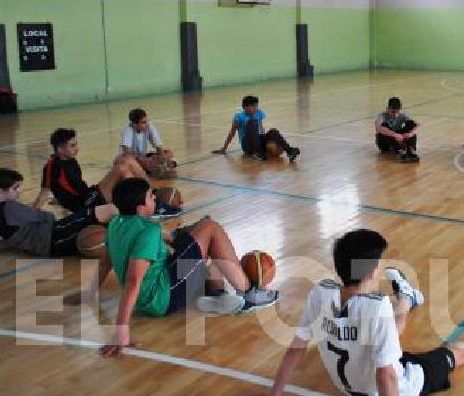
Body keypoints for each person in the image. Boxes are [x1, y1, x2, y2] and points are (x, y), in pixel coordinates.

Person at [252, 229, 464, 396]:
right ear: (371, 272)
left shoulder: (320, 292)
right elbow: (386, 376)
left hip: (347, 387)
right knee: (456, 354)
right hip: (397, 391)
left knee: (385, 332)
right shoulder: (376, 305)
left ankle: (407, 295)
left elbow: (295, 350)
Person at [99, 178, 280, 357]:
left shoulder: (115, 224)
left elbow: (106, 261)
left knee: (201, 236)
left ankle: (214, 295)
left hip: (149, 295)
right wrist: (121, 330)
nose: (154, 198)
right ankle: (249, 293)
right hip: (162, 299)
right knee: (211, 227)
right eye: (150, 196)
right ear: (140, 208)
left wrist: (91, 291)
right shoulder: (148, 231)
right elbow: (133, 281)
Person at [34, 128, 182, 220]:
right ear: (59, 149)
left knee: (125, 163)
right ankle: (149, 201)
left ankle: (149, 197)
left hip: (89, 195)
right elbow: (44, 192)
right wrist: (30, 216)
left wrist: (59, 200)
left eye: (76, 144)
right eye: (72, 146)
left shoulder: (70, 160)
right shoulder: (52, 165)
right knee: (123, 165)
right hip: (84, 204)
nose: (77, 148)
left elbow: (67, 187)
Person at [0, 168, 117, 258]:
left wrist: (13, 242)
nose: (19, 191)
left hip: (50, 242)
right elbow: (44, 217)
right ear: (1, 191)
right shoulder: (9, 208)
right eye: (15, 188)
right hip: (56, 235)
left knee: (104, 216)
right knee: (109, 210)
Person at [212, 95, 300, 162]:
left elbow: (261, 129)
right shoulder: (239, 117)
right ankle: (256, 153)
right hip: (248, 145)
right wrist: (224, 148)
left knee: (273, 131)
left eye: (256, 106)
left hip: (258, 139)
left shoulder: (259, 113)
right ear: (244, 107)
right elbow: (232, 133)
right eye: (252, 106)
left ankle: (290, 151)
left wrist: (266, 139)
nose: (254, 108)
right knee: (252, 122)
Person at [119, 108, 177, 178]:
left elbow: (158, 146)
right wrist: (147, 160)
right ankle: (155, 169)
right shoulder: (127, 130)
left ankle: (158, 167)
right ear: (134, 124)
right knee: (145, 162)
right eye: (143, 122)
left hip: (143, 157)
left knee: (168, 152)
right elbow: (128, 153)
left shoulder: (149, 126)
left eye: (146, 121)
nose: (146, 124)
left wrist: (163, 158)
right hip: (130, 159)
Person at [374, 97, 420, 162]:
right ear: (387, 109)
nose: (395, 115)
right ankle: (400, 150)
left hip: (397, 138)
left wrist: (410, 134)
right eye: (393, 112)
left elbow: (416, 125)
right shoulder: (382, 116)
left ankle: (410, 149)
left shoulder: (402, 116)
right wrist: (395, 135)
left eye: (397, 112)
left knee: (411, 124)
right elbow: (379, 128)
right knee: (384, 126)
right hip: (384, 142)